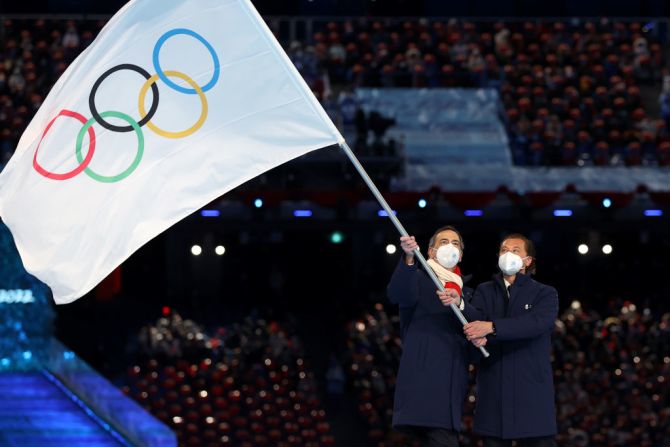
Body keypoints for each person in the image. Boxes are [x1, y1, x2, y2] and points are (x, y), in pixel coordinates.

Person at [439, 233, 558, 446]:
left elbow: (537, 323)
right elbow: (475, 321)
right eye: (504, 250)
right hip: (494, 390)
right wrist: (461, 305)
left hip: (531, 393)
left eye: (515, 250)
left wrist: (492, 328)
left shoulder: (545, 294)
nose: (508, 254)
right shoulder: (485, 290)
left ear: (528, 260)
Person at [388, 225, 473, 447]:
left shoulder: (468, 294)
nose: (450, 247)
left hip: (452, 387)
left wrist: (462, 304)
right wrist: (408, 257)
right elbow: (397, 293)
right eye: (443, 242)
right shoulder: (417, 278)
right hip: (424, 382)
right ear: (431, 252)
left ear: (461, 255)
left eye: (455, 244)